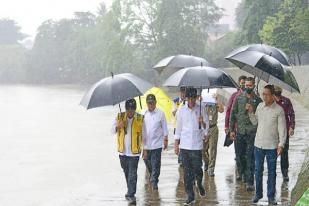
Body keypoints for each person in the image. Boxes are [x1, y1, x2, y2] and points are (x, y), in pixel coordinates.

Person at [248, 85, 287, 205]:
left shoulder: (279, 110)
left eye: (266, 94)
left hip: (272, 146)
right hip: (258, 145)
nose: (264, 96)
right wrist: (250, 112)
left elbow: (282, 129)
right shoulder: (260, 106)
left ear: (272, 95)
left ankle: (271, 196)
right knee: (258, 170)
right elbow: (255, 122)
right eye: (263, 94)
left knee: (272, 172)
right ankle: (258, 194)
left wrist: (281, 144)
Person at [174, 88, 208, 205]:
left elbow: (206, 129)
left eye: (194, 98)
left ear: (197, 98)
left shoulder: (201, 108)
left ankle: (199, 183)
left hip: (197, 145)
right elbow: (178, 128)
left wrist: (202, 122)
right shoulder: (181, 110)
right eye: (190, 98)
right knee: (187, 172)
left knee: (198, 169)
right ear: (186, 98)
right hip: (185, 145)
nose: (192, 101)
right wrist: (176, 144)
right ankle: (190, 195)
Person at [229, 77, 262, 191]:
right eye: (246, 85)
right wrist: (231, 130)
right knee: (239, 156)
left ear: (253, 86)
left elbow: (260, 117)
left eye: (249, 85)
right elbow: (233, 113)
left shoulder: (258, 100)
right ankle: (242, 172)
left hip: (252, 133)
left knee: (250, 157)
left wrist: (252, 110)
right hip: (240, 132)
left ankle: (250, 181)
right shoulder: (239, 98)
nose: (247, 87)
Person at [112, 99, 147, 204]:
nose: (130, 112)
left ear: (135, 109)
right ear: (126, 109)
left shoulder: (140, 119)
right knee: (127, 172)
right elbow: (110, 130)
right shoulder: (119, 117)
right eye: (128, 109)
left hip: (134, 153)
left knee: (132, 174)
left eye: (132, 109)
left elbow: (145, 135)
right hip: (122, 152)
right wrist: (118, 126)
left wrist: (145, 149)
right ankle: (130, 190)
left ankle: (131, 194)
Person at [143, 94, 168, 190]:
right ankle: (153, 176)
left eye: (152, 103)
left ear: (155, 103)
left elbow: (165, 127)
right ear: (146, 103)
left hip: (157, 144)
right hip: (146, 144)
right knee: (147, 162)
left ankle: (154, 181)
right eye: (149, 103)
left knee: (156, 163)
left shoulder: (160, 113)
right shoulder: (143, 114)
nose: (150, 105)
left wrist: (165, 140)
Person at [224, 75, 247, 180]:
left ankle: (246, 173)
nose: (243, 84)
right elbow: (229, 111)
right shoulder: (234, 96)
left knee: (247, 152)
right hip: (237, 129)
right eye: (241, 82)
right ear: (239, 83)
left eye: (245, 83)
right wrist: (227, 126)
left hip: (248, 130)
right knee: (238, 152)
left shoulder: (253, 96)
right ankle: (239, 172)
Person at [274, 85, 295, 182]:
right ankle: (272, 172)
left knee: (284, 153)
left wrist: (291, 127)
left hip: (284, 131)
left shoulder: (286, 101)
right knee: (272, 153)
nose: (277, 92)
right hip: (272, 132)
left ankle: (285, 172)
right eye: (275, 91)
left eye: (278, 90)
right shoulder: (269, 102)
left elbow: (291, 115)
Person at [202, 92, 224, 176]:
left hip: (213, 127)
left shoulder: (215, 103)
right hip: (204, 129)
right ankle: (207, 162)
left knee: (213, 149)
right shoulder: (202, 104)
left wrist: (217, 99)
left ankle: (211, 168)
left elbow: (221, 110)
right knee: (202, 150)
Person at [172, 86, 186, 165]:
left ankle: (183, 158)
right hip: (176, 126)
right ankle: (180, 158)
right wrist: (180, 106)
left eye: (184, 92)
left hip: (184, 126)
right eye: (182, 92)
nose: (183, 94)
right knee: (178, 142)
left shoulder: (188, 101)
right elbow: (173, 113)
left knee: (183, 142)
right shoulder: (176, 101)